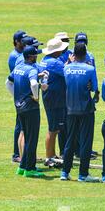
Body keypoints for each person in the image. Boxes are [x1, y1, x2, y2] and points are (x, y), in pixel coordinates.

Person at [60, 43, 100, 182]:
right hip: (86, 109)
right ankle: (83, 174)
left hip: (70, 109)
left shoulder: (66, 68)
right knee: (85, 142)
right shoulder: (90, 68)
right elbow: (94, 87)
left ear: (74, 54)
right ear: (85, 54)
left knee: (70, 141)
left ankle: (65, 172)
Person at [6, 46, 46, 177]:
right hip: (31, 108)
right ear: (30, 57)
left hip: (19, 107)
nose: (36, 57)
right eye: (35, 55)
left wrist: (17, 96)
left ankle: (22, 167)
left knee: (26, 135)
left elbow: (8, 82)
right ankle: (30, 169)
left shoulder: (18, 67)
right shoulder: (32, 69)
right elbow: (34, 84)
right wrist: (35, 97)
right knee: (31, 138)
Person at [38, 37, 69, 167]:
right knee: (53, 129)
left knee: (53, 127)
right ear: (56, 51)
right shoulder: (54, 63)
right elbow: (67, 72)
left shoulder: (44, 60)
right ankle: (49, 157)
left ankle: (51, 155)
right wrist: (70, 63)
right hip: (55, 98)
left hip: (49, 97)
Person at [8, 30, 27, 163]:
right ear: (16, 42)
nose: (24, 42)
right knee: (20, 124)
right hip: (19, 93)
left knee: (22, 124)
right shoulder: (15, 56)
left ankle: (24, 152)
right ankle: (17, 154)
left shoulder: (21, 54)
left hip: (21, 92)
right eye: (22, 40)